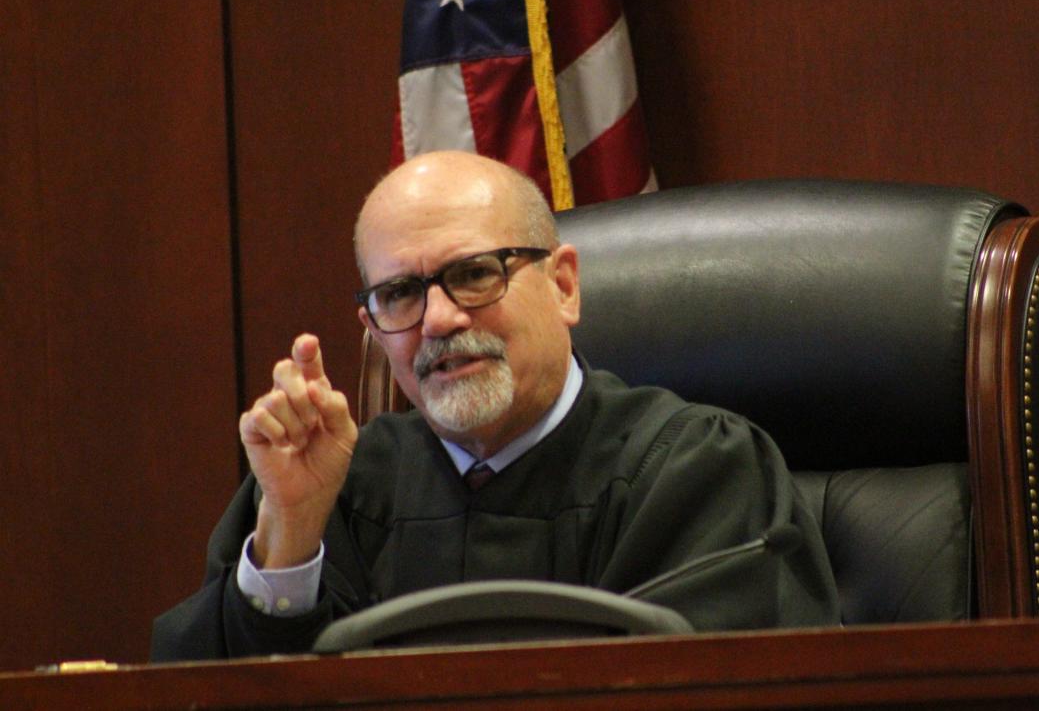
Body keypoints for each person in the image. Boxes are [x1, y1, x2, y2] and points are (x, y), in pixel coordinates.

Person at [151, 151, 839, 660]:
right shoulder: (338, 487)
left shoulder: (697, 470)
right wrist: (292, 535)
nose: (440, 319)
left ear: (564, 286)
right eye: (400, 294)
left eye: (475, 273)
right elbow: (203, 694)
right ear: (373, 330)